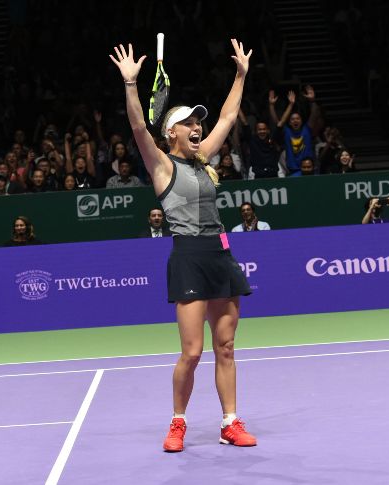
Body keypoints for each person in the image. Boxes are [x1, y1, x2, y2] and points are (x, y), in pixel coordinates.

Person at [110, 39, 257, 452]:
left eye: (198, 123)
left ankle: (230, 422)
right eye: (188, 122)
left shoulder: (204, 157)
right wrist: (131, 84)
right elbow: (138, 128)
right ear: (171, 132)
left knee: (225, 347)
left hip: (220, 254)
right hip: (189, 256)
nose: (198, 127)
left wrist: (241, 75)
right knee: (192, 352)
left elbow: (228, 116)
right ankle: (178, 422)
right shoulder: (161, 165)